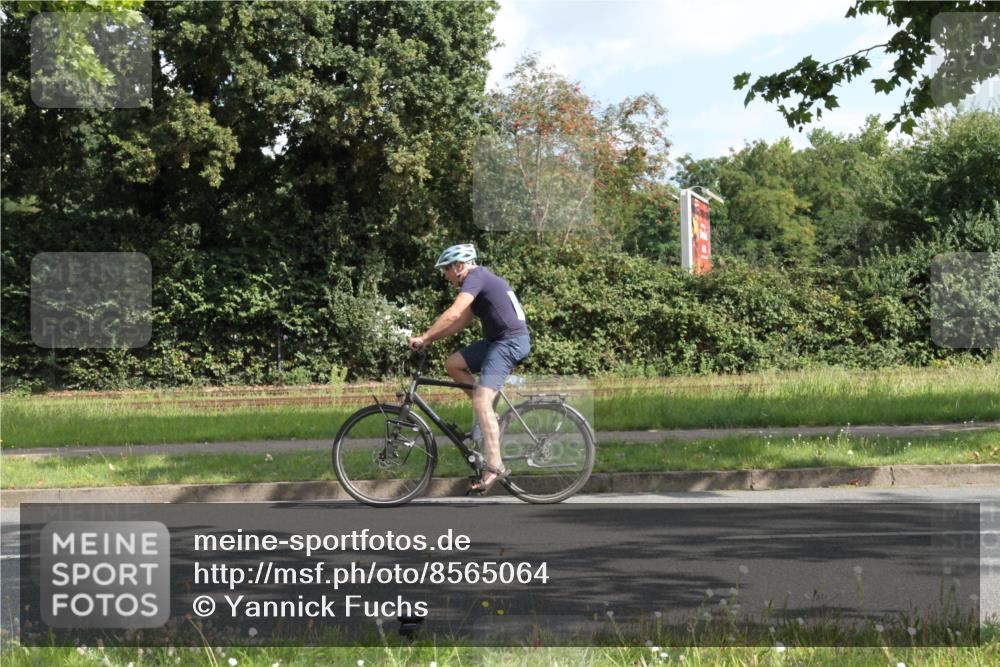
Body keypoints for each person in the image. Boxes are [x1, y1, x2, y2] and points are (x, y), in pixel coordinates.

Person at [408, 243, 531, 493]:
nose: (445, 275)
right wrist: (429, 339)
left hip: (510, 343)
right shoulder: (478, 282)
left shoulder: (475, 278)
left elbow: (453, 314)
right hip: (498, 341)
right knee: (453, 365)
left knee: (481, 402)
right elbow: (457, 325)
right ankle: (490, 416)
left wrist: (423, 336)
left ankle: (494, 465)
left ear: (459, 266)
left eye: (446, 270)